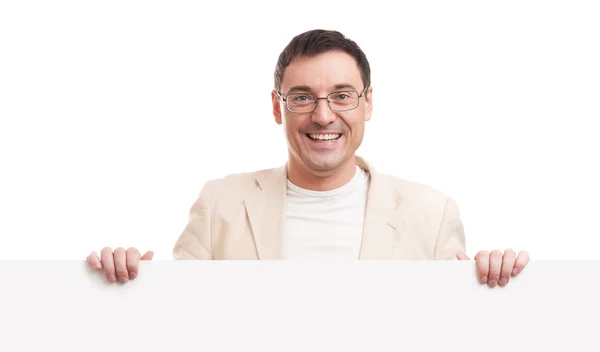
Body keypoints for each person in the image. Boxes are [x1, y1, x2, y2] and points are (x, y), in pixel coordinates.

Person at [86, 29, 529, 288]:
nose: (322, 115)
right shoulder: (219, 204)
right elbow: (174, 328)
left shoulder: (432, 214)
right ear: (277, 107)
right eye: (302, 97)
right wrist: (126, 286)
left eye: (341, 95)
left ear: (367, 103)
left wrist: (494, 282)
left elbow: (455, 337)